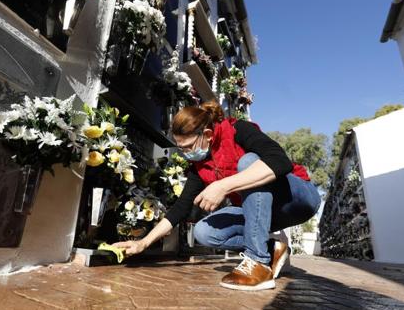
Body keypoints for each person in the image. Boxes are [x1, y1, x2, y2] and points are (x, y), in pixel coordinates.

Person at [113, 100, 321, 291]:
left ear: (208, 135)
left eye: (188, 147)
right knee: (204, 232)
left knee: (248, 162)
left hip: (298, 199)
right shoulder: (199, 166)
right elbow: (180, 208)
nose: (185, 154)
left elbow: (280, 162)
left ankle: (258, 263)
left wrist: (223, 186)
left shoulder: (239, 130)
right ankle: (271, 249)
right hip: (263, 213)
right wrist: (143, 243)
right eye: (181, 148)